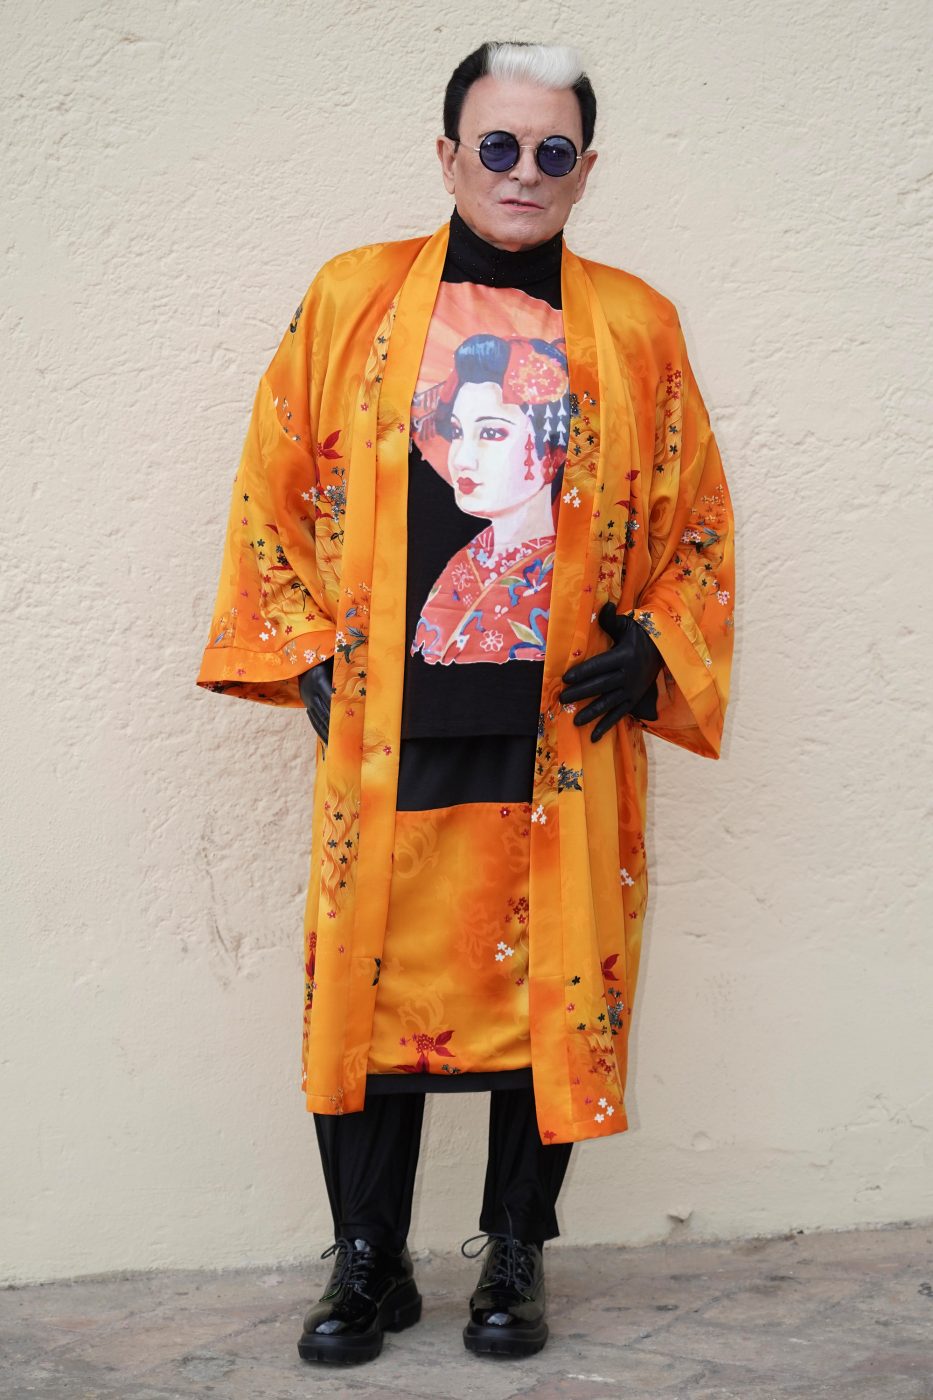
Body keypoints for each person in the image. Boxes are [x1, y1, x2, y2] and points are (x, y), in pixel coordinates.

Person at [196, 39, 735, 1367]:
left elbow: (697, 517)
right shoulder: (352, 299)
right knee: (370, 1000)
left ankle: (514, 1255)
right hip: (390, 722)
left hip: (561, 730)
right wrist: (306, 651)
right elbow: (271, 478)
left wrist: (655, 647)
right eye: (497, 145)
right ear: (448, 156)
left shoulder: (637, 324)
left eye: (552, 151)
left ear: (585, 171)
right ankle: (367, 1261)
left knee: (546, 992)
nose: (522, 171)